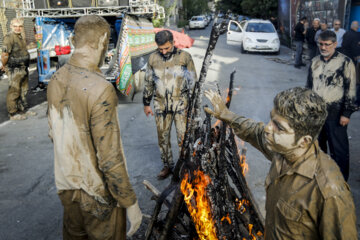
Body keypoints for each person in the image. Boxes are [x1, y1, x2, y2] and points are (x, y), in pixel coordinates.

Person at [204, 87, 357, 239]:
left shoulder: (329, 192)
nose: (268, 128)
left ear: (304, 141)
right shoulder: (283, 149)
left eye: (280, 127)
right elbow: (254, 131)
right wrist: (225, 114)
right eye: (271, 119)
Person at [47, 15, 142, 239]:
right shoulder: (100, 88)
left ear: (73, 41)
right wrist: (130, 202)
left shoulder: (55, 79)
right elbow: (109, 157)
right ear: (101, 40)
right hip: (97, 194)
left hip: (67, 189)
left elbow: (54, 134)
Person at [143, 30, 197, 179]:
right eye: (161, 49)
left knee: (183, 138)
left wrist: (194, 107)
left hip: (181, 104)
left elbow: (193, 82)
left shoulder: (185, 57)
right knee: (163, 138)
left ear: (173, 42)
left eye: (166, 48)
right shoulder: (153, 58)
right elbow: (148, 81)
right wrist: (146, 104)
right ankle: (168, 166)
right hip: (160, 105)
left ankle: (184, 167)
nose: (164, 51)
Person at [307, 30, 357, 181]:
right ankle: (320, 179)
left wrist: (346, 113)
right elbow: (309, 87)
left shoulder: (345, 62)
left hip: (336, 113)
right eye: (321, 44)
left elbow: (351, 89)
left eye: (327, 44)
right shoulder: (314, 62)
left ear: (335, 44)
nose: (324, 47)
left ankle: (340, 183)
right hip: (317, 113)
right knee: (318, 147)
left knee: (339, 150)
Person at [1, 18, 35, 120]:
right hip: (14, 69)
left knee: (23, 90)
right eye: (15, 26)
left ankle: (22, 109)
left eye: (20, 26)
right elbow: (5, 53)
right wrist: (3, 64)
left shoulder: (19, 36)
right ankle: (13, 113)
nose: (17, 28)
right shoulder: (9, 37)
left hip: (23, 68)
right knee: (14, 91)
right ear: (11, 26)